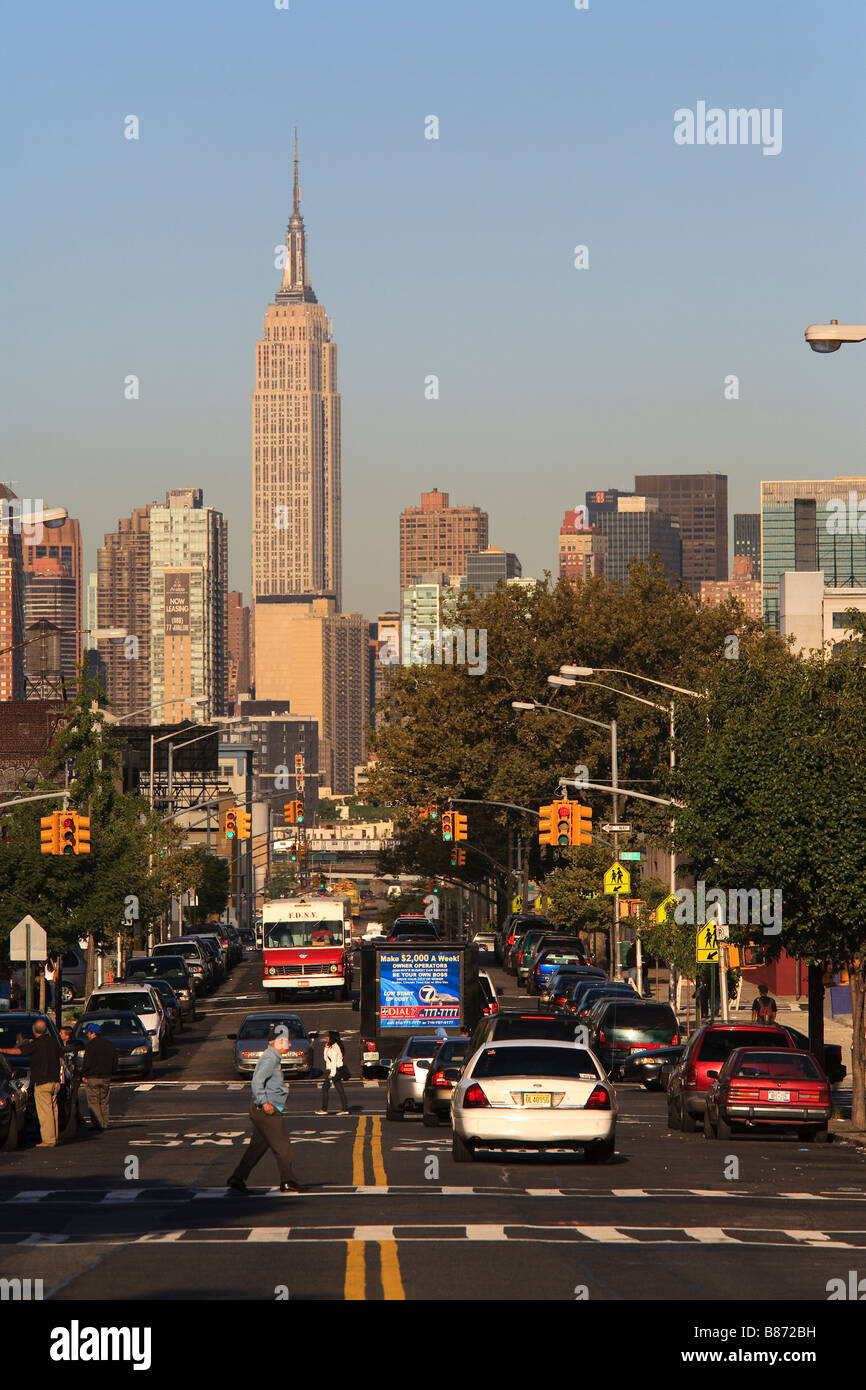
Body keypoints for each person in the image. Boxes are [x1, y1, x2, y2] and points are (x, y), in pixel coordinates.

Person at [227, 1033, 305, 1194]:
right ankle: (288, 1180)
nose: (289, 1045)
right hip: (267, 1110)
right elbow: (256, 1081)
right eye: (285, 1042)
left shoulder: (271, 1057)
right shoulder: (270, 1059)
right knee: (283, 1146)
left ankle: (237, 1178)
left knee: (257, 1146)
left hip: (260, 1110)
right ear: (275, 1042)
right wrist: (264, 1102)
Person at [0, 1019, 63, 1147]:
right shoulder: (53, 1042)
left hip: (42, 1081)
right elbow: (60, 1058)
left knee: (45, 1113)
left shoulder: (36, 1044)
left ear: (34, 1031)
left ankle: (48, 1140)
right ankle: (54, 1136)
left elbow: (19, 1051)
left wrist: (2, 1050)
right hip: (55, 1081)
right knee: (53, 1110)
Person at [81, 1023, 117, 1131]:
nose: (87, 1035)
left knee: (93, 1102)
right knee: (104, 1101)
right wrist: (111, 1073)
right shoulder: (109, 1045)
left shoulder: (90, 1046)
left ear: (92, 1033)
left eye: (88, 1033)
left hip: (93, 1077)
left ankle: (98, 1124)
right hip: (106, 1076)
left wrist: (83, 1074)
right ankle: (105, 1123)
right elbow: (115, 1061)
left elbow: (87, 1063)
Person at [316, 1030, 349, 1115]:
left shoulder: (334, 1048)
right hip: (337, 1070)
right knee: (340, 1089)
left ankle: (324, 1109)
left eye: (328, 1036)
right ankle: (345, 1109)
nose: (326, 1037)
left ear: (332, 1038)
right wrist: (326, 1048)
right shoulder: (333, 1046)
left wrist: (332, 1074)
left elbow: (333, 1061)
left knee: (325, 1088)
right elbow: (326, 1059)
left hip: (335, 1071)